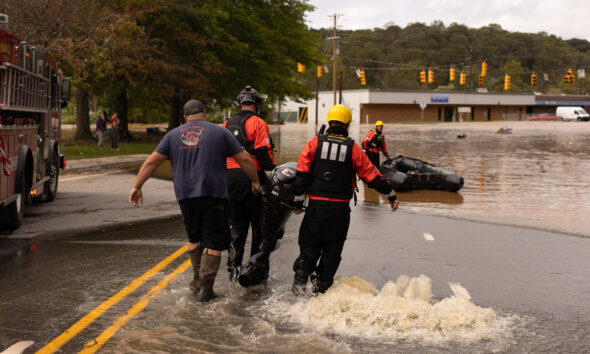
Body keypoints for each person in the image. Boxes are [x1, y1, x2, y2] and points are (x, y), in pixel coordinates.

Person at [129, 99, 261, 302]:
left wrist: (137, 186)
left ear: (185, 117)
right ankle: (206, 290)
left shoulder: (173, 135)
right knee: (214, 242)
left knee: (193, 238)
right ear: (204, 114)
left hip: (186, 196)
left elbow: (151, 161)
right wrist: (255, 181)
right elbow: (244, 158)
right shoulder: (220, 132)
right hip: (214, 194)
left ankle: (196, 283)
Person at [291, 105, 400, 296]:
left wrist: (298, 203)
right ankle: (320, 292)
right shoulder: (354, 149)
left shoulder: (314, 143)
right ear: (347, 124)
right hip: (339, 211)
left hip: (315, 209)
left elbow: (301, 174)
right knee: (332, 252)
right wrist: (390, 194)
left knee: (309, 247)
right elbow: (371, 176)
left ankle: (299, 282)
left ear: (329, 122)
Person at [222, 85, 275, 282]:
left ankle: (233, 272)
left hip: (230, 180)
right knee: (259, 228)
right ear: (257, 104)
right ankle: (255, 273)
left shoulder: (226, 124)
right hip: (253, 179)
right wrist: (272, 179)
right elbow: (263, 153)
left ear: (240, 103)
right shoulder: (259, 123)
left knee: (236, 228)